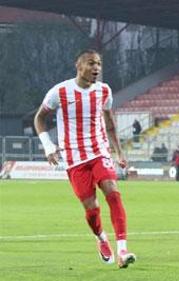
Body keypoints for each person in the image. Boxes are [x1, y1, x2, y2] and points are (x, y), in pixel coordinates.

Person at [33, 49, 136, 268]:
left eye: (99, 64)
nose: (96, 68)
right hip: (74, 159)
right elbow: (39, 118)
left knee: (113, 193)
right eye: (91, 63)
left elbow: (109, 124)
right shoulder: (59, 92)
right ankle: (100, 238)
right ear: (78, 66)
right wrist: (48, 146)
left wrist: (118, 152)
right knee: (91, 209)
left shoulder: (104, 91)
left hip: (99, 152)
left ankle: (123, 250)